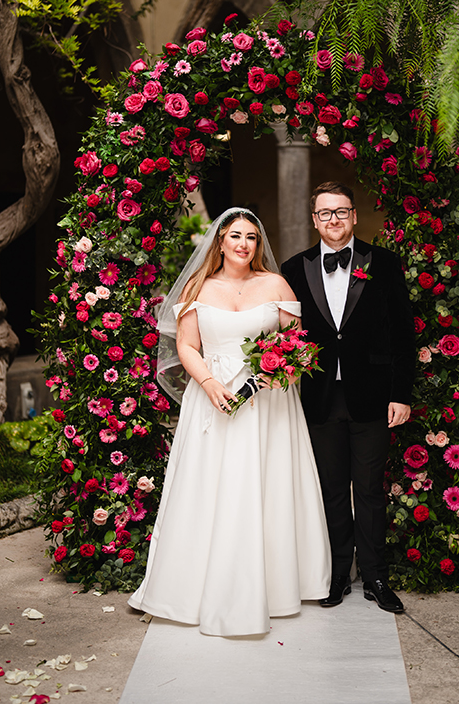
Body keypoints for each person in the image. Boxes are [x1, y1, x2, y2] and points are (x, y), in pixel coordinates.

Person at [128, 207, 330, 636]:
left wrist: (276, 373)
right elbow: (186, 345)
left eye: (251, 238)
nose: (243, 244)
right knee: (212, 486)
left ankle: (276, 586)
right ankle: (196, 588)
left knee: (267, 483)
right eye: (235, 235)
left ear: (259, 245)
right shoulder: (200, 287)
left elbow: (298, 345)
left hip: (268, 402)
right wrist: (208, 383)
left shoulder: (275, 284)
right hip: (212, 398)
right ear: (219, 241)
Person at [281, 181, 415, 614]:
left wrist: (401, 394)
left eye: (341, 212)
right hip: (319, 396)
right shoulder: (293, 269)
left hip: (373, 396)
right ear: (314, 219)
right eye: (325, 213)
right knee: (332, 489)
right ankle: (339, 573)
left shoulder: (385, 263)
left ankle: (375, 575)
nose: (333, 220)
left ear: (354, 216)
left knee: (371, 490)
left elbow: (402, 336)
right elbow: (284, 337)